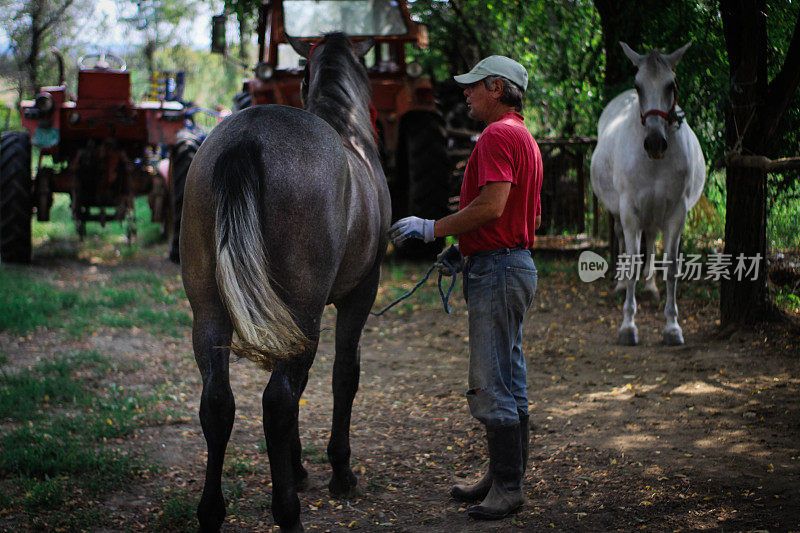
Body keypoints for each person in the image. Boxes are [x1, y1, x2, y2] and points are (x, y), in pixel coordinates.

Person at [389, 55, 543, 520]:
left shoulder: (497, 135)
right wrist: (467, 248)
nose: (466, 94)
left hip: (498, 271)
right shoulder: (523, 137)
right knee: (509, 376)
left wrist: (433, 228)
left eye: (473, 86)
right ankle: (501, 476)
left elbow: (493, 205)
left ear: (496, 87)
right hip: (510, 262)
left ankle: (508, 487)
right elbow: (517, 214)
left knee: (490, 380)